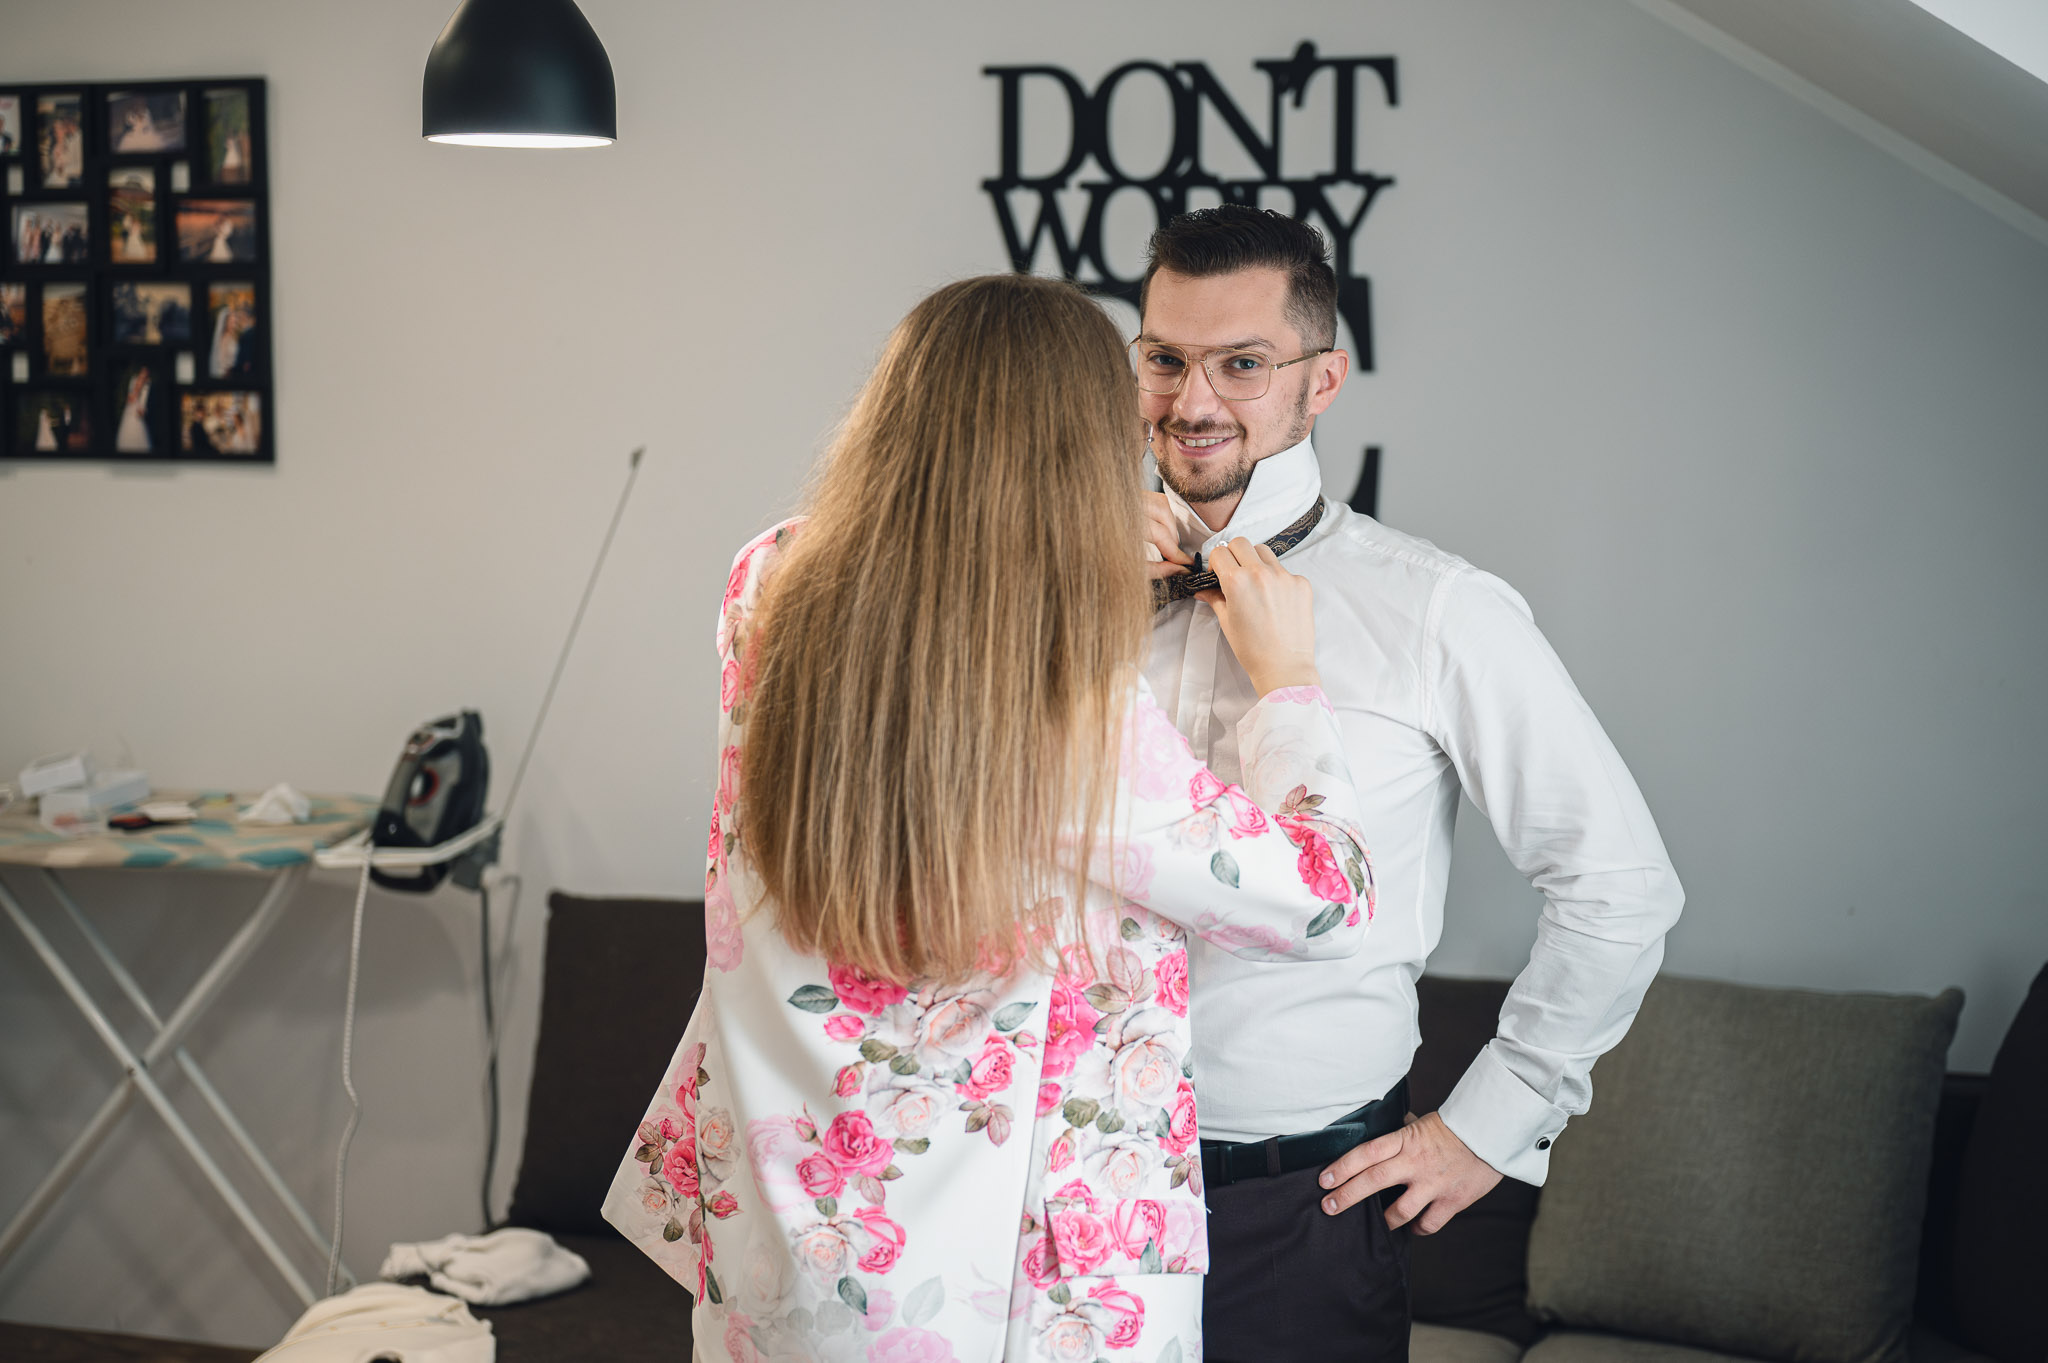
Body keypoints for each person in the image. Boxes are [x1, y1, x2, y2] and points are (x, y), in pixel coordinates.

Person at [603, 273, 1379, 1362]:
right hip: (1015, 1291)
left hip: (787, 1240)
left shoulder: (767, 581)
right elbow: (1328, 898)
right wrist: (1287, 683)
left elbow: (930, 615)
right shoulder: (1063, 693)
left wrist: (1072, 558)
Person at [1133, 205, 1685, 1362]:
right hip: (1059, 1184)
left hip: (1296, 1214)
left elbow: (1618, 885)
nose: (1192, 400)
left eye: (1241, 364)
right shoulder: (1052, 588)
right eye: (1165, 358)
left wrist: (1488, 1125)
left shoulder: (1437, 609)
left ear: (1321, 380)